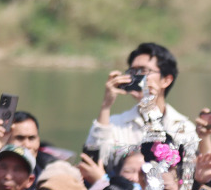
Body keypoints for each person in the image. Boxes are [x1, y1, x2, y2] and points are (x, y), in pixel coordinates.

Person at [84, 42, 203, 175]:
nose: (136, 77)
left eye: (144, 71)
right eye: (132, 71)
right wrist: (106, 105)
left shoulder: (183, 127)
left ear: (166, 80)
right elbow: (93, 160)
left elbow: (187, 173)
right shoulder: (115, 123)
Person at [0, 110, 55, 179]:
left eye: (31, 138)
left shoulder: (50, 168)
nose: (27, 145)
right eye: (20, 138)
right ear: (5, 140)